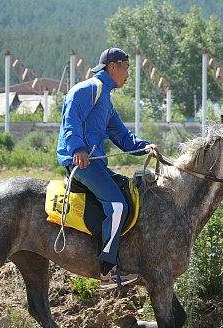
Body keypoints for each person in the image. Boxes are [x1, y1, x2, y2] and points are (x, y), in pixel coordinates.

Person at [57, 47, 158, 290]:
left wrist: (144, 147)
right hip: (82, 163)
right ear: (112, 66)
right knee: (117, 206)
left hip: (96, 162)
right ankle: (107, 271)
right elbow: (70, 120)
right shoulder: (88, 89)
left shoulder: (106, 100)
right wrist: (77, 148)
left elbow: (121, 135)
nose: (128, 74)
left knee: (130, 193)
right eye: (126, 68)